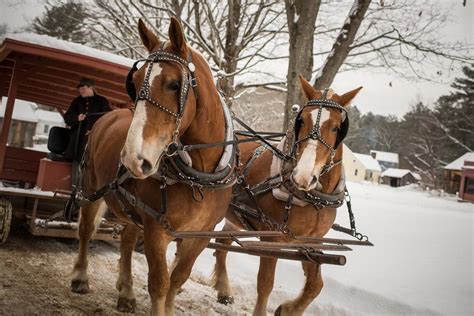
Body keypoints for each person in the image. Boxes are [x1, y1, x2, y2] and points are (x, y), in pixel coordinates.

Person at [64, 78, 111, 182]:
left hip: (95, 139)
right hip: (78, 139)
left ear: (91, 88)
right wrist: (77, 118)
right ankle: (74, 187)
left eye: (83, 88)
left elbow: (108, 117)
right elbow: (67, 117)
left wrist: (95, 130)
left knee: (92, 163)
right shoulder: (77, 101)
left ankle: (87, 188)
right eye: (79, 89)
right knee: (77, 162)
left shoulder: (102, 101)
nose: (80, 91)